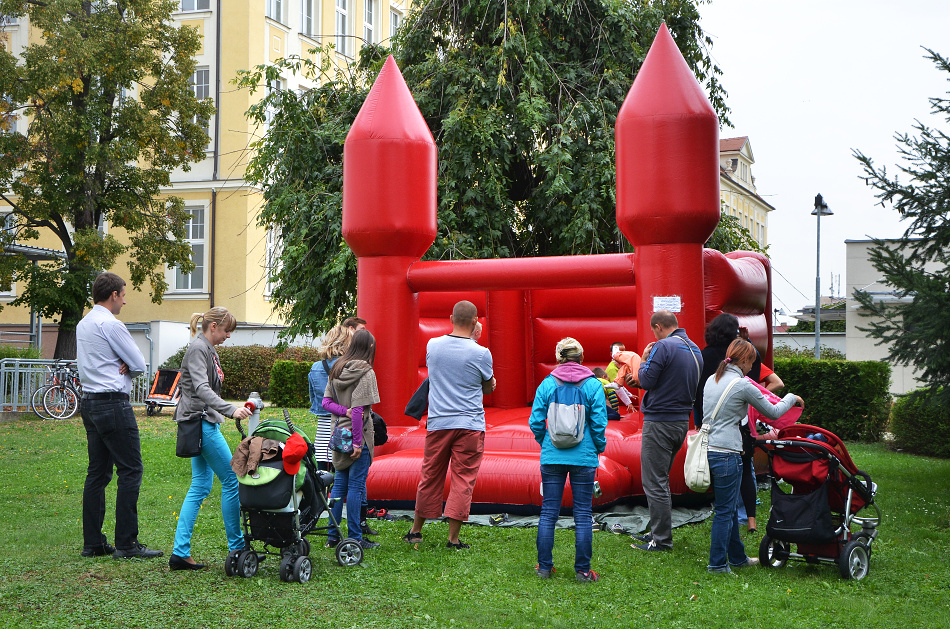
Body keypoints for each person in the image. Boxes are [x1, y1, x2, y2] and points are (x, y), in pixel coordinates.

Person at [77, 272, 161, 560]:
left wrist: (124, 362)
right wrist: (127, 362)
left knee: (97, 474)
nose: (124, 301)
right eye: (123, 295)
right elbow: (139, 363)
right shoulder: (111, 324)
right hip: (113, 404)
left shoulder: (84, 323)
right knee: (131, 470)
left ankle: (93, 543)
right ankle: (126, 543)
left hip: (89, 403)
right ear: (113, 294)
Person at [703, 339, 803, 573]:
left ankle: (737, 558)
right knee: (724, 512)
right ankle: (717, 564)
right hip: (728, 453)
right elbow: (773, 411)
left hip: (711, 450)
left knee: (724, 507)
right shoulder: (742, 384)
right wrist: (791, 397)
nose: (752, 369)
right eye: (752, 364)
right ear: (745, 360)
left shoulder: (712, 379)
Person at [403, 300, 495, 549]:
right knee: (463, 478)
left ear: (451, 317)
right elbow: (487, 388)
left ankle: (416, 530)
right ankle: (453, 538)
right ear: (476, 321)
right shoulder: (481, 353)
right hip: (470, 422)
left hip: (439, 421)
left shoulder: (433, 345)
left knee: (430, 474)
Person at [170, 307, 252, 571]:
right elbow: (201, 388)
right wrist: (230, 409)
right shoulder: (198, 349)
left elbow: (205, 388)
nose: (229, 336)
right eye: (227, 330)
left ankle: (180, 552)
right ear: (213, 326)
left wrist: (228, 407)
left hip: (202, 423)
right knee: (231, 479)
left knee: (201, 486)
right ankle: (237, 549)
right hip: (201, 425)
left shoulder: (208, 348)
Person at [530, 338, 608, 582]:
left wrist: (545, 441)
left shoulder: (547, 384)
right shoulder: (593, 385)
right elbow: (598, 424)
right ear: (581, 358)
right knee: (583, 514)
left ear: (559, 358)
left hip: (552, 456)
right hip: (584, 458)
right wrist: (599, 446)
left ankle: (544, 567)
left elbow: (535, 421)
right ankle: (583, 571)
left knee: (549, 512)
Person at [632, 310, 702, 552]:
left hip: (660, 421)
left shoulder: (663, 346)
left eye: (654, 331)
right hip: (681, 421)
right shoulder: (694, 348)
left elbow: (647, 380)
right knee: (660, 480)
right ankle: (655, 532)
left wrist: (643, 359)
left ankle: (660, 540)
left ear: (658, 327)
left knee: (654, 481)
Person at [321, 329, 381, 550]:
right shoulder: (366, 372)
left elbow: (325, 404)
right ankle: (355, 537)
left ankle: (332, 535)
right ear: (370, 348)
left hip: (338, 435)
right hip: (358, 438)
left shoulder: (337, 368)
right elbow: (358, 412)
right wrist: (357, 443)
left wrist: (341, 411)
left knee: (338, 486)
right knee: (355, 487)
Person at [693, 313, 762, 430]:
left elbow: (695, 389)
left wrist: (698, 419)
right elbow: (755, 365)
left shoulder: (701, 356)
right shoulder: (739, 357)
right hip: (735, 418)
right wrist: (747, 341)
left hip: (708, 416)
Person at [309, 325, 350, 471]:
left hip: (323, 428)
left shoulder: (316, 367)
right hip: (344, 423)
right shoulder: (349, 366)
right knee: (342, 473)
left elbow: (313, 398)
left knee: (322, 472)